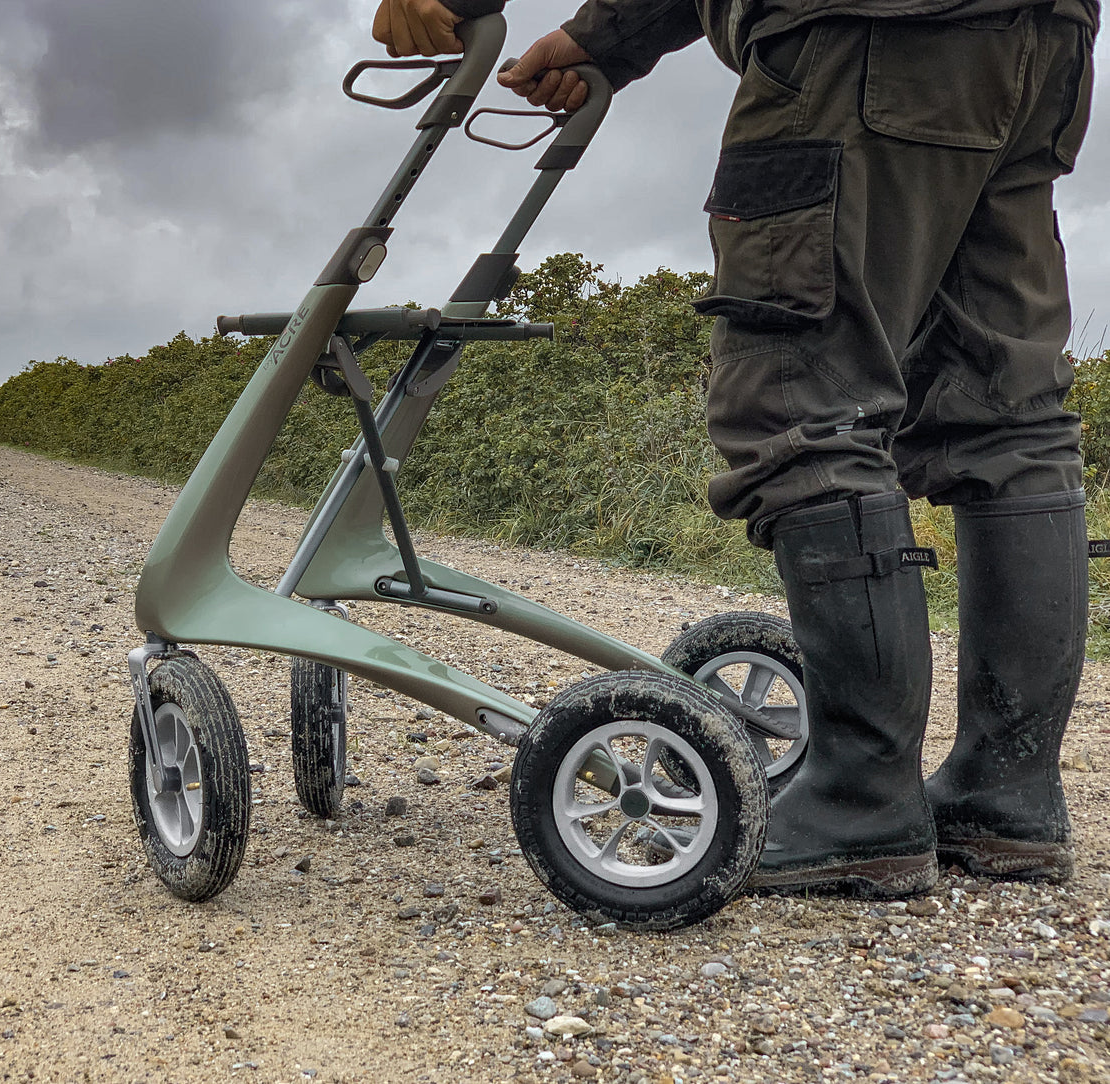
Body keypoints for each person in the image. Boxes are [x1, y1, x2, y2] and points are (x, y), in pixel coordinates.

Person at [373, 0, 1097, 896]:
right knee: (1003, 410)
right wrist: (602, 40)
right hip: (1041, 41)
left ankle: (860, 800)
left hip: (863, 36)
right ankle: (1007, 796)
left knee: (801, 396)